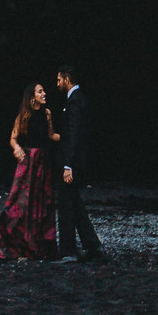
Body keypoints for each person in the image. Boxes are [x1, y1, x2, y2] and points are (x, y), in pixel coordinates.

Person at [0, 80, 59, 260]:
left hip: (43, 163)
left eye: (44, 91)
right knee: (20, 201)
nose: (44, 94)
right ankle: (14, 241)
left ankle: (38, 245)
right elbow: (13, 138)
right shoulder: (24, 115)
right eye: (40, 91)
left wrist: (71, 136)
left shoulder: (47, 113)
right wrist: (16, 148)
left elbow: (51, 135)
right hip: (28, 162)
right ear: (32, 98)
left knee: (43, 203)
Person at [52, 64, 105, 262]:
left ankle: (68, 251)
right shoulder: (77, 99)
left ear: (67, 78)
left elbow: (73, 135)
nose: (57, 83)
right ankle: (93, 246)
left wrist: (67, 165)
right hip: (75, 161)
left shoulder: (75, 101)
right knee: (74, 204)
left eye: (59, 79)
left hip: (71, 163)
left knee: (66, 205)